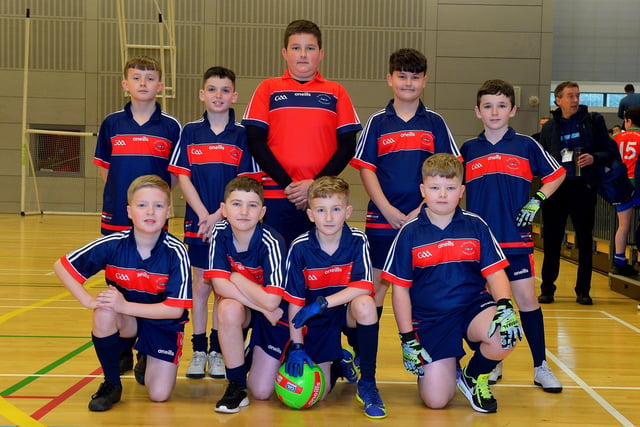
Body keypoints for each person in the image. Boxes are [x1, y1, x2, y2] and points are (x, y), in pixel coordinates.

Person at [382, 153, 522, 413]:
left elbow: (495, 273)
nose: (443, 195)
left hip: (472, 307)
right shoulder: (409, 233)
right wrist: (407, 339)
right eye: (435, 188)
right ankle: (446, 366)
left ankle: (472, 376)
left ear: (461, 191)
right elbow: (400, 290)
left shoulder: (476, 225)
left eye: (450, 188)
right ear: (423, 190)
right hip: (432, 319)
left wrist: (505, 305)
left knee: (504, 332)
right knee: (436, 402)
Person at [52, 175, 192, 412]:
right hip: (127, 321)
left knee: (158, 395)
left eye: (158, 206)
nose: (150, 211)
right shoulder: (114, 243)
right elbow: (63, 266)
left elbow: (175, 308)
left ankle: (146, 355)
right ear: (129, 211)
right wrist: (87, 300)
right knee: (104, 310)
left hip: (162, 324)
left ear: (168, 211)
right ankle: (111, 384)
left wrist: (124, 305)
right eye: (141, 205)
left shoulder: (176, 252)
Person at [460, 79, 565, 393]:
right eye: (488, 106)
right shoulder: (468, 149)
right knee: (489, 304)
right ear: (478, 111)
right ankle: (493, 360)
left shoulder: (525, 145)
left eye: (502, 105)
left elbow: (556, 174)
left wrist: (538, 199)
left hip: (515, 240)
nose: (495, 112)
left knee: (526, 301)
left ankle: (540, 367)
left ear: (513, 110)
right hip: (480, 245)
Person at [349, 48, 459, 344]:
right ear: (389, 79)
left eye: (415, 77)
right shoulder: (377, 122)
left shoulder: (434, 123)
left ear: (424, 81)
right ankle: (362, 353)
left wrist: (423, 208)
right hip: (383, 220)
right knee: (375, 288)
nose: (408, 83)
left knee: (422, 287)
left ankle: (424, 351)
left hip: (425, 221)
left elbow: (449, 170)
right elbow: (366, 169)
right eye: (402, 76)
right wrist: (386, 209)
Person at [169, 66, 259, 380]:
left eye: (224, 90)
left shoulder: (242, 134)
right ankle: (198, 350)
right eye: (212, 89)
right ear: (202, 94)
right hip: (199, 222)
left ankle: (219, 352)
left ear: (234, 96)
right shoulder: (190, 132)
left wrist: (220, 214)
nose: (218, 95)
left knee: (225, 290)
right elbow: (182, 175)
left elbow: (246, 181)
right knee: (200, 287)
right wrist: (203, 215)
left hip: (230, 224)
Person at [94, 56, 181, 373]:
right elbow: (106, 170)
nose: (143, 83)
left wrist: (151, 206)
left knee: (153, 285)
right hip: (116, 216)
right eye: (136, 77)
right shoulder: (112, 124)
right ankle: (121, 347)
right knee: (118, 282)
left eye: (149, 78)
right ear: (125, 84)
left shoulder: (171, 127)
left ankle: (148, 347)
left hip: (154, 225)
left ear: (160, 85)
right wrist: (126, 203)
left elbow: (172, 177)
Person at [242, 19, 362, 245]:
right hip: (277, 195)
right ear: (285, 53)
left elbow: (347, 146)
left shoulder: (336, 92)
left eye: (310, 48)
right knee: (277, 266)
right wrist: (288, 185)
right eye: (296, 48)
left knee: (319, 269)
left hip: (323, 199)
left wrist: (314, 186)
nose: (303, 54)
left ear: (321, 53)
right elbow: (255, 141)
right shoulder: (268, 88)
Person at [283, 176, 387, 419]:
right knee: (320, 393)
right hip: (315, 320)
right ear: (310, 215)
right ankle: (340, 361)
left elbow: (364, 285)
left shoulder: (358, 239)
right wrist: (297, 346)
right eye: (321, 210)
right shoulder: (299, 248)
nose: (329, 218)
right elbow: (295, 303)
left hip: (343, 311)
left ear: (348, 211)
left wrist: (324, 303)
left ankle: (368, 383)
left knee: (366, 305)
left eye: (336, 209)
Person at [204, 176, 288, 413]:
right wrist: (262, 308)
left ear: (262, 212)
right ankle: (237, 386)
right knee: (226, 308)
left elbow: (274, 300)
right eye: (236, 204)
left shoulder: (271, 241)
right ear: (223, 210)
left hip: (276, 311)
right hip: (259, 309)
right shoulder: (219, 232)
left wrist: (237, 277)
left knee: (262, 392)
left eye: (252, 205)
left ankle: (264, 352)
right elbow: (220, 287)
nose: (243, 211)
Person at [538, 81, 617, 305]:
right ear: (558, 100)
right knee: (552, 241)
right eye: (570, 96)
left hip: (583, 188)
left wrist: (594, 157)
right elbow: (543, 157)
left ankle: (583, 290)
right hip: (556, 190)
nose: (575, 100)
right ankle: (547, 288)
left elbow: (609, 151)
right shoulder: (549, 128)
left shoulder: (593, 121)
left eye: (577, 95)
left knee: (584, 240)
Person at [611, 106, 640, 276]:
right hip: (638, 184)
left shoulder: (616, 138)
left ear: (628, 121)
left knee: (623, 225)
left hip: (621, 184)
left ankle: (619, 261)